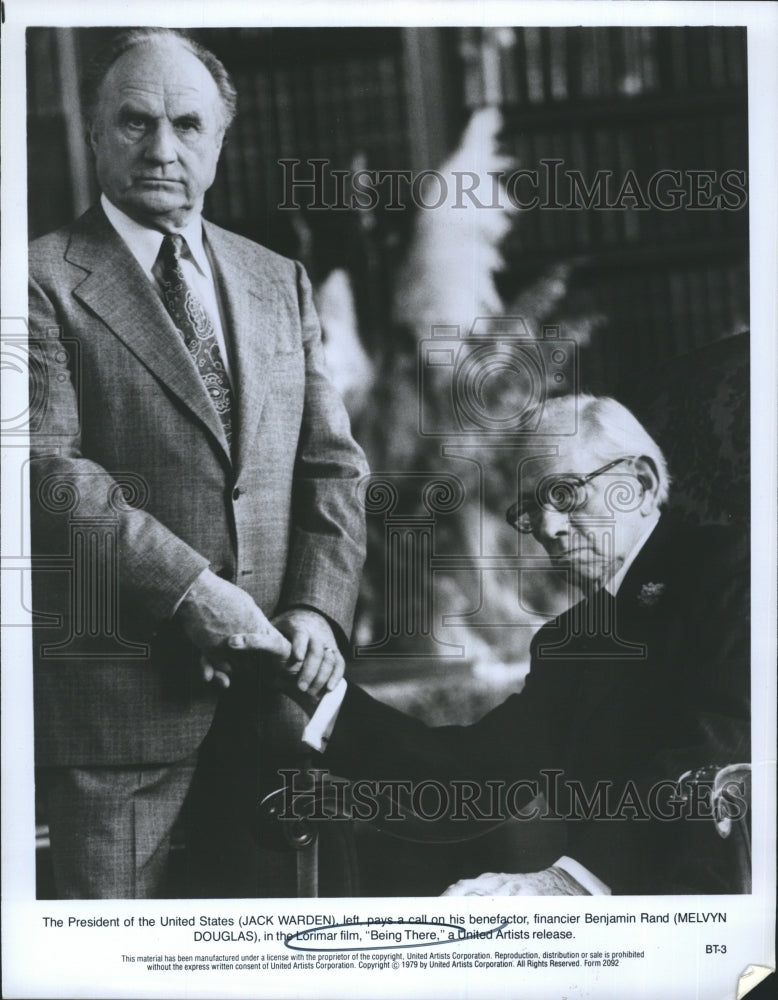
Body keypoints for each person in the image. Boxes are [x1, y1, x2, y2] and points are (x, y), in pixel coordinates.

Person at [28, 27, 368, 899]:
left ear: (220, 139)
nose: (161, 149)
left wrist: (317, 608)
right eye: (134, 122)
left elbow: (332, 465)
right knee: (113, 959)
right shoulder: (34, 282)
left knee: (272, 951)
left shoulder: (277, 279)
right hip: (120, 716)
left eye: (186, 124)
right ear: (95, 132)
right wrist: (192, 592)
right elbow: (45, 472)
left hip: (275, 701)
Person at [234, 394, 750, 895]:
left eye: (565, 494)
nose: (547, 528)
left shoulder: (741, 572)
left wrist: (575, 880)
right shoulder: (571, 640)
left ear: (641, 483)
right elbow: (475, 776)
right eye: (530, 509)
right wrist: (316, 684)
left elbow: (725, 746)